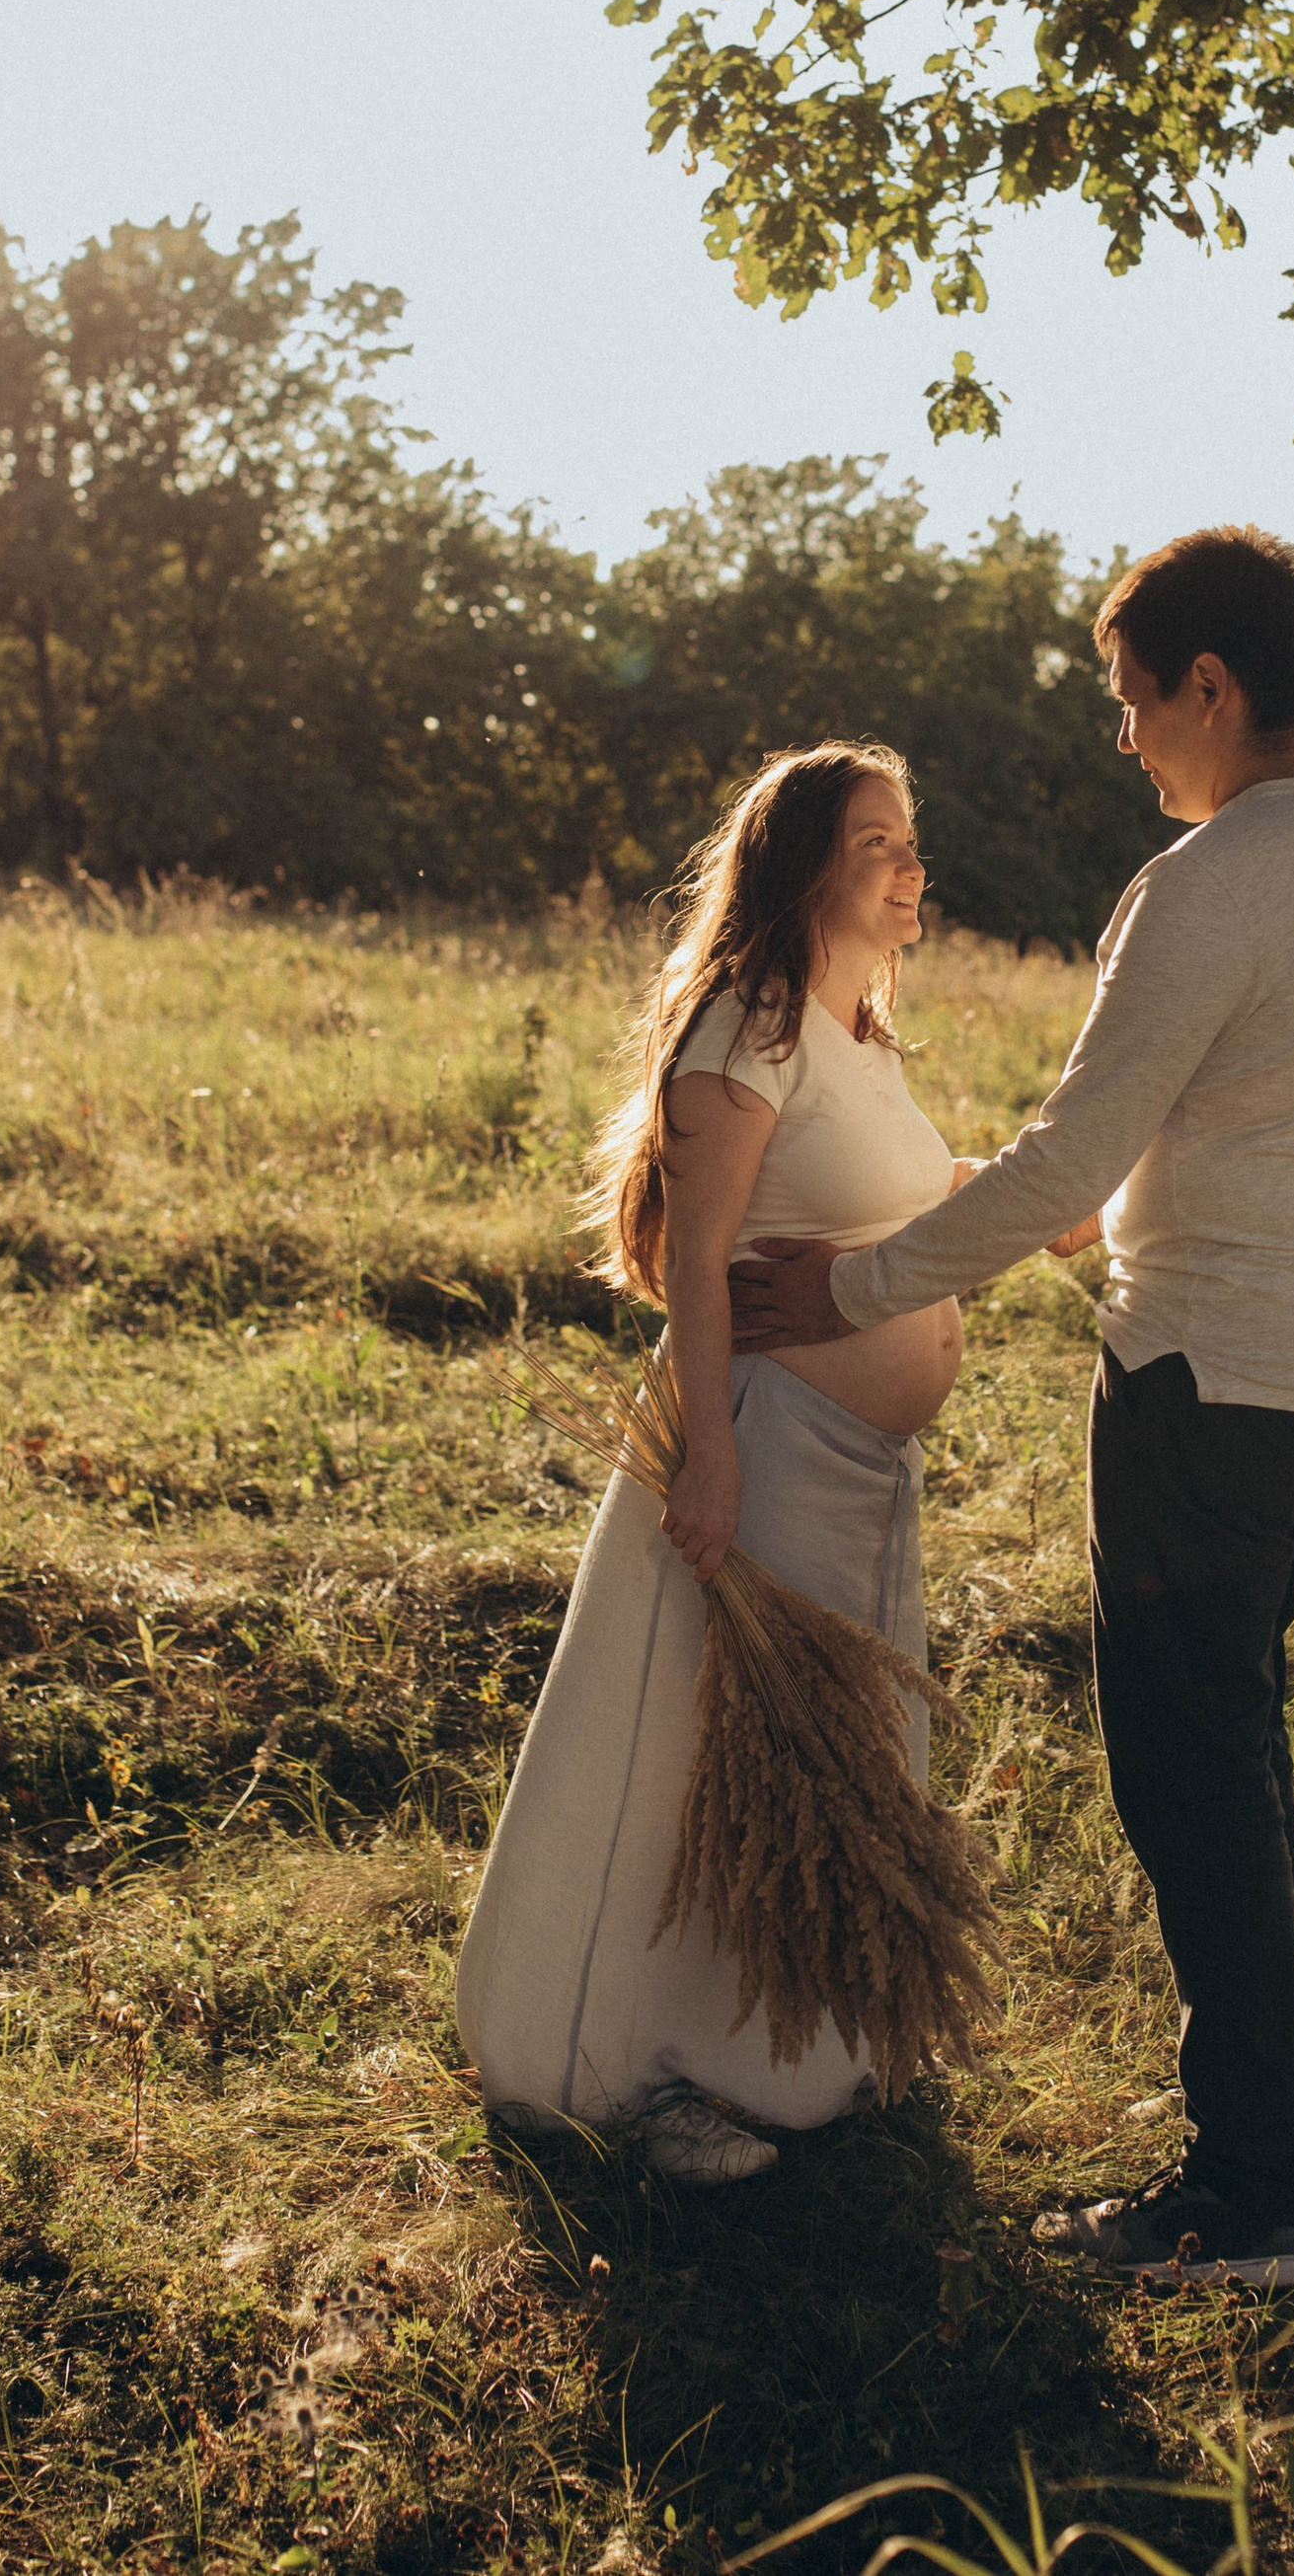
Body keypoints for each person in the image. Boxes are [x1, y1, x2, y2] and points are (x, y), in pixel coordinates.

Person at [731, 528, 1294, 2289]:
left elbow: (1080, 1143)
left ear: (1213, 684)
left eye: (1135, 698)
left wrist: (850, 1284)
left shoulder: (1207, 881)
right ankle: (1292, 2107)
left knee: (1187, 1769)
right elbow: (1253, 1133)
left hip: (1208, 1378)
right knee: (1239, 1733)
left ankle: (1251, 2194)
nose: (1126, 737)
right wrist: (1081, 1222)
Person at [454, 739, 972, 2185]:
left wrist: (1055, 1189)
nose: (911, 863)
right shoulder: (741, 1022)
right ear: (805, 859)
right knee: (709, 1762)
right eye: (880, 838)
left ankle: (799, 2050)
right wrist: (712, 1458)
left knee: (818, 1763)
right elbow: (695, 1246)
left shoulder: (852, 1029)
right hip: (765, 1444)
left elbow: (904, 1201)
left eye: (913, 838)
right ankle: (644, 2074)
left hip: (856, 1466)